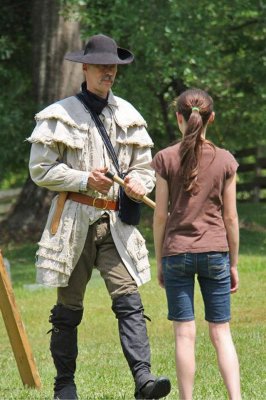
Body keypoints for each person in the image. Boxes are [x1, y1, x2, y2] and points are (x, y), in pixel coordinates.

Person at [27, 34, 171, 400]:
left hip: (116, 223)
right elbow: (40, 169)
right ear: (85, 68)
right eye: (103, 66)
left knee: (129, 301)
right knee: (68, 308)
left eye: (114, 67)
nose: (110, 72)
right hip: (74, 222)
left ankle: (144, 381)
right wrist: (82, 179)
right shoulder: (59, 114)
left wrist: (139, 183)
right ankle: (65, 386)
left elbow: (144, 168)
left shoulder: (128, 115)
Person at [152, 88, 242, 400]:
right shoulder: (225, 160)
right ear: (211, 119)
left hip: (177, 252)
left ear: (179, 117)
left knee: (184, 335)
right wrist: (233, 263)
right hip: (215, 252)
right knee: (221, 332)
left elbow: (160, 217)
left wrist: (160, 259)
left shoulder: (164, 159)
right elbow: (231, 219)